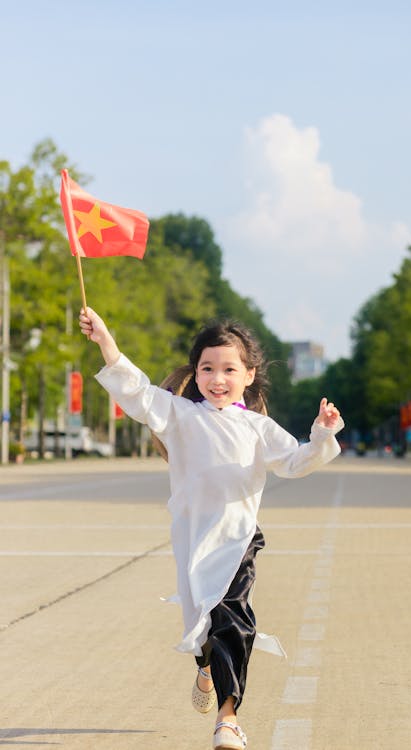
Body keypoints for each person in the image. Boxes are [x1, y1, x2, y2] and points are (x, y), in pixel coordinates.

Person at [79, 307, 344, 750]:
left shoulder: (258, 427)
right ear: (195, 372)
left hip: (238, 539)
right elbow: (137, 391)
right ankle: (205, 667)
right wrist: (106, 339)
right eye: (207, 368)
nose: (217, 378)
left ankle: (228, 719)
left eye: (228, 369)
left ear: (249, 375)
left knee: (234, 623)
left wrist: (322, 434)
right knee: (202, 630)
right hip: (193, 540)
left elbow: (296, 462)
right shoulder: (180, 414)